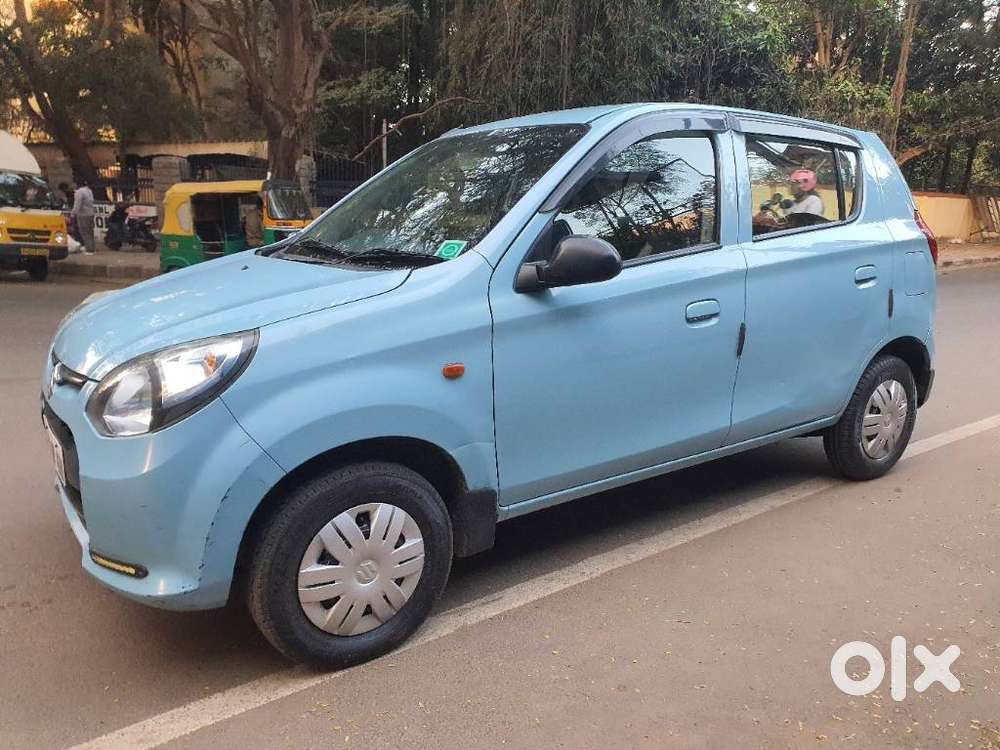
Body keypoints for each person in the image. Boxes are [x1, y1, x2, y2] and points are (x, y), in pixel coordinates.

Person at [72, 178, 96, 255]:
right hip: (91, 213)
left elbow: (77, 204)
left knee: (84, 232)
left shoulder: (79, 192)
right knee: (90, 232)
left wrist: (73, 213)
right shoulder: (89, 190)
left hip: (83, 214)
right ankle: (92, 248)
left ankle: (89, 250)